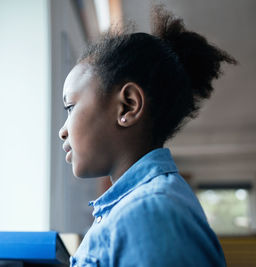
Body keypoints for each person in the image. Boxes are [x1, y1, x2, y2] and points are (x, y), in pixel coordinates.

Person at [58, 5, 237, 267]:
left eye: (71, 107)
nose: (63, 130)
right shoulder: (137, 209)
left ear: (127, 106)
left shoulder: (148, 213)